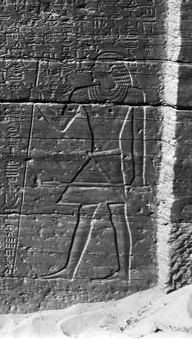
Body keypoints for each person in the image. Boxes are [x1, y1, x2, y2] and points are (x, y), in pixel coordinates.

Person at [35, 52, 145, 281]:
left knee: (116, 215)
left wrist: (137, 173)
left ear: (112, 71)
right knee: (87, 215)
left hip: (112, 162)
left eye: (98, 67)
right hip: (96, 161)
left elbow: (137, 138)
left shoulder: (134, 96)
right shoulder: (83, 94)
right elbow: (62, 125)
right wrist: (40, 104)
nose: (93, 71)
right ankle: (71, 270)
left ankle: (123, 272)